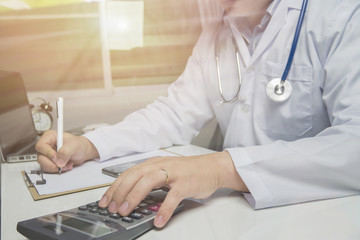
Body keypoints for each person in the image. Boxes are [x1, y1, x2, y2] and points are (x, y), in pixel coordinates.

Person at [36, 0, 360, 229]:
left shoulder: (343, 15)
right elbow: (173, 113)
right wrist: (90, 144)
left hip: (319, 218)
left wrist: (221, 167)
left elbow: (353, 145)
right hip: (237, 217)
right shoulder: (219, 29)